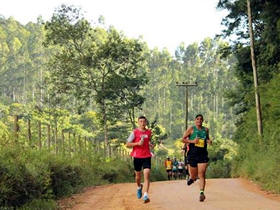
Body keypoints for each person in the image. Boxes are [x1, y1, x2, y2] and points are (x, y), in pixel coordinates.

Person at [182, 114, 212, 202]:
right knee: (194, 175)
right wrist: (192, 141)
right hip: (192, 154)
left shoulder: (206, 130)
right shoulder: (191, 129)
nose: (199, 120)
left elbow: (207, 139)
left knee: (201, 174)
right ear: (195, 120)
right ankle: (192, 178)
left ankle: (201, 193)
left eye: (201, 119)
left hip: (202, 153)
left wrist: (209, 141)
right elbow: (183, 139)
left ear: (202, 121)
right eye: (197, 119)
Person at [126, 116, 153, 203]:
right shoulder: (134, 132)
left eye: (144, 121)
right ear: (138, 122)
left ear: (146, 123)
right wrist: (137, 143)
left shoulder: (149, 132)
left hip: (146, 156)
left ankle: (145, 195)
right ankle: (139, 187)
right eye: (140, 121)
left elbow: (148, 141)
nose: (142, 123)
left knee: (147, 173)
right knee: (138, 177)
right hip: (137, 156)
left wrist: (150, 144)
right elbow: (127, 144)